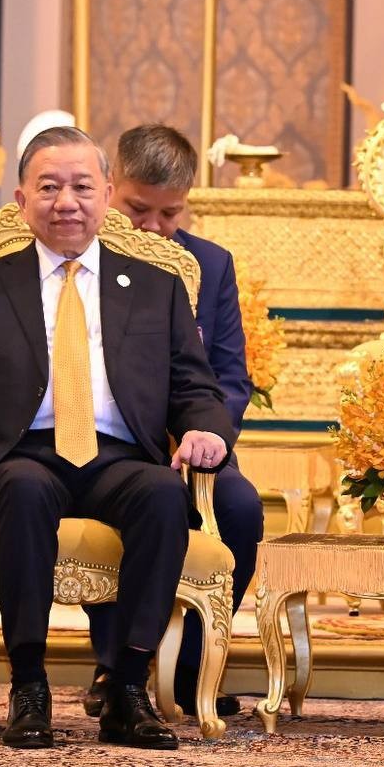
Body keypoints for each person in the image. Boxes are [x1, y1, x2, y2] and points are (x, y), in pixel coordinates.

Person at [0, 126, 234, 750]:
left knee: (163, 494)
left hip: (118, 456)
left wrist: (204, 429)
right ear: (21, 198)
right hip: (21, 453)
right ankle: (28, 684)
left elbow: (196, 387)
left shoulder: (157, 287)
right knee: (25, 489)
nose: (67, 202)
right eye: (49, 187)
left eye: (82, 187)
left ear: (107, 194)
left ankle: (128, 687)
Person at [82, 123, 263, 720]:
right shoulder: (81, 258)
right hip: (111, 443)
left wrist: (205, 435)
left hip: (193, 447)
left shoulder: (210, 264)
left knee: (240, 507)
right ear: (111, 188)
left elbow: (231, 378)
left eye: (170, 213)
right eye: (139, 210)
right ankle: (115, 666)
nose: (155, 227)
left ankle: (190, 669)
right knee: (120, 500)